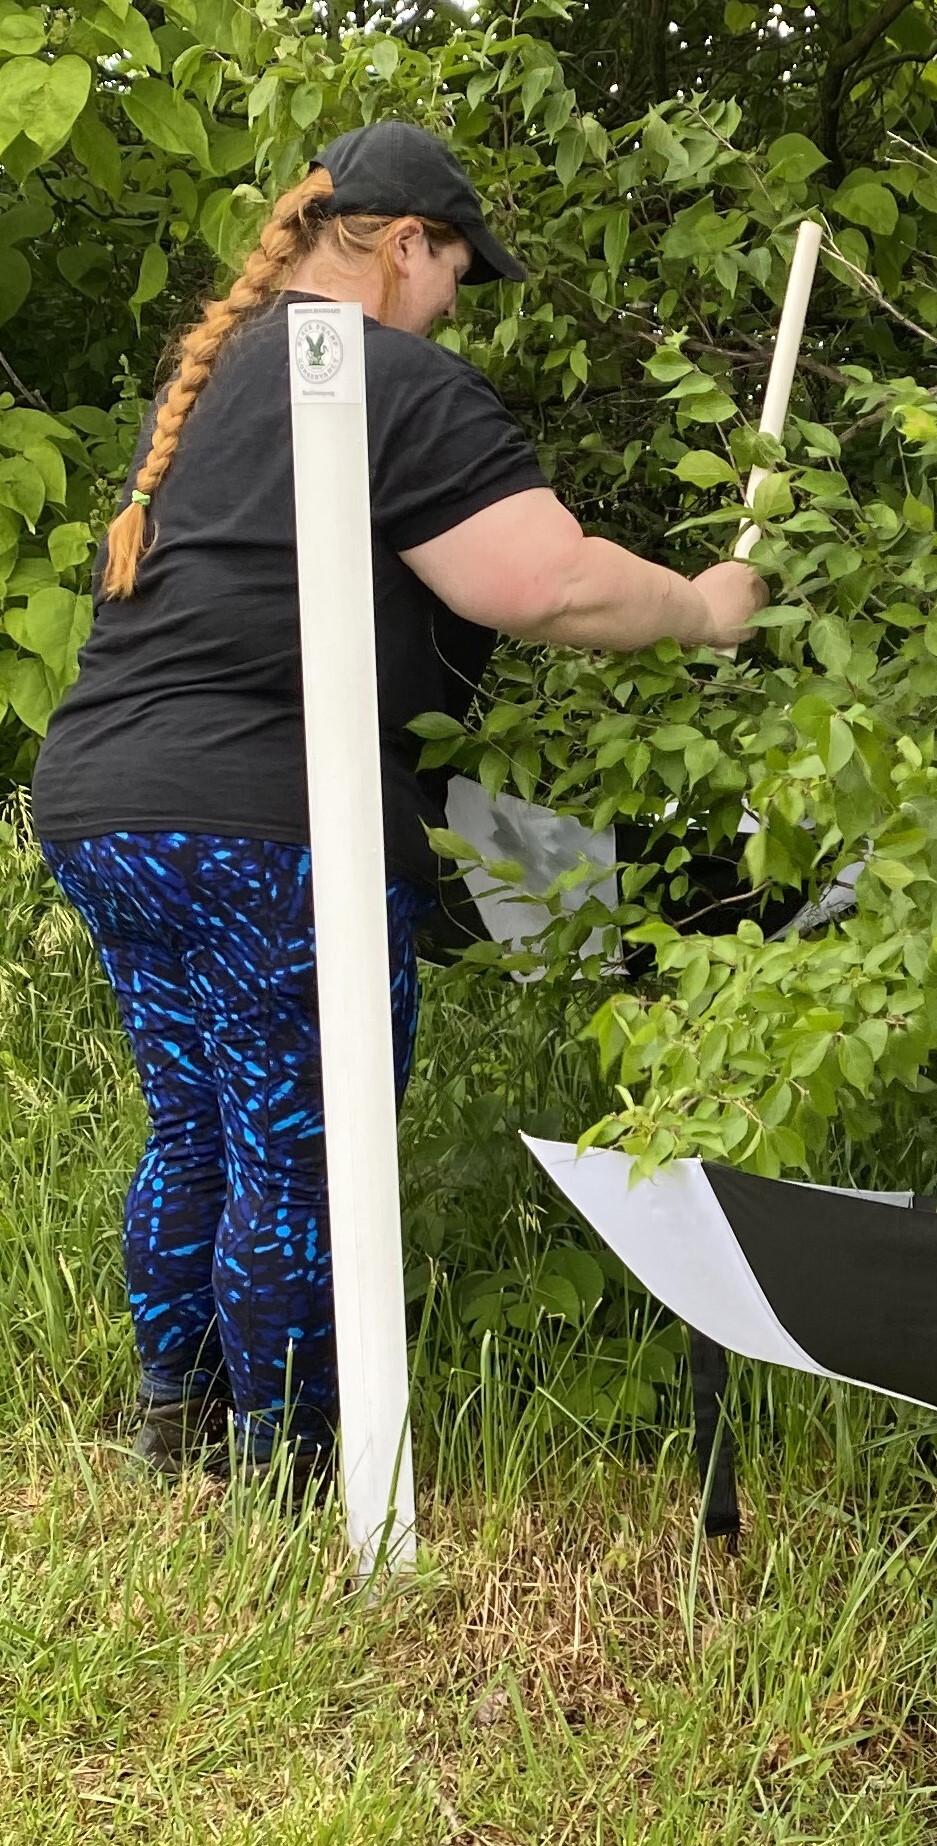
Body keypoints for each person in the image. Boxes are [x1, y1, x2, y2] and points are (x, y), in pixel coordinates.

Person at [32, 122, 766, 1496]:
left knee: (200, 1127)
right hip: (266, 818)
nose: (452, 309)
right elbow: (545, 582)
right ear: (406, 243)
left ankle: (172, 1427)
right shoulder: (384, 375)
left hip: (106, 804)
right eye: (455, 273)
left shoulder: (227, 380)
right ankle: (297, 1483)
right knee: (300, 1149)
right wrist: (704, 609)